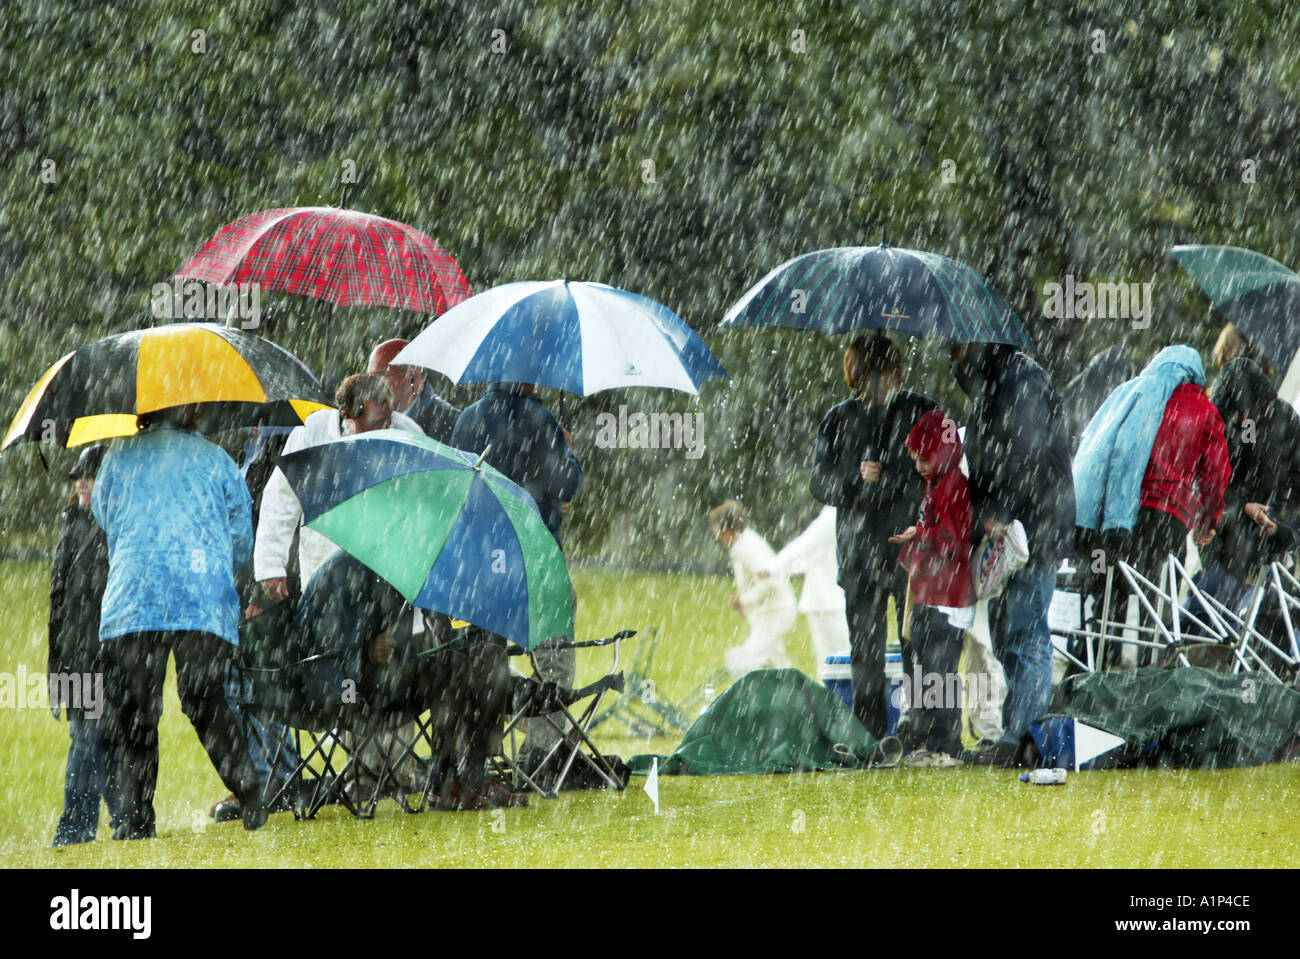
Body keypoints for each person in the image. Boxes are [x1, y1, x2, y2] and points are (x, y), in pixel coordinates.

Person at [93, 405, 266, 836]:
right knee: (205, 698)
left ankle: (134, 819)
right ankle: (250, 792)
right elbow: (241, 538)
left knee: (135, 710)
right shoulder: (216, 460)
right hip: (202, 594)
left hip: (136, 595)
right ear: (193, 412)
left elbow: (103, 515)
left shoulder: (118, 456)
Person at [288, 550, 522, 810]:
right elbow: (316, 651)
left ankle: (471, 773)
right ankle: (446, 779)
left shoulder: (390, 568)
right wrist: (364, 652)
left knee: (477, 659)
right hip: (345, 693)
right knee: (452, 667)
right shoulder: (338, 575)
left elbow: (404, 640)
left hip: (384, 680)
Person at [949, 342, 1075, 767]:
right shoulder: (997, 383)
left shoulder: (1018, 381)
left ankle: (1026, 740)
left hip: (1033, 529)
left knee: (1026, 635)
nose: (950, 354)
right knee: (1011, 636)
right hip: (1027, 526)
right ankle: (1016, 735)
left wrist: (998, 511)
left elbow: (1021, 454)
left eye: (955, 346)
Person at [1074, 345, 1231, 666]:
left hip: (1125, 509)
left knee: (1114, 586)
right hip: (1171, 517)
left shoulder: (1137, 393)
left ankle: (1100, 660)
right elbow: (1216, 472)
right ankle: (1147, 667)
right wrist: (1209, 519)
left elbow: (1104, 442)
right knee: (1156, 596)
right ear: (1196, 376)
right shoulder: (1205, 410)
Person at [810, 334, 935, 739]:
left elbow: (948, 463)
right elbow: (818, 482)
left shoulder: (921, 412)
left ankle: (921, 729)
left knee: (917, 643)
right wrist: (854, 480)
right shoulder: (838, 419)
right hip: (860, 555)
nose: (883, 385)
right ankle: (870, 735)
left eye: (887, 375)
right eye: (874, 376)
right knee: (866, 650)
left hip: (909, 552)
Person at [452, 381, 583, 763]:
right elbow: (568, 486)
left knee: (488, 668)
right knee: (555, 666)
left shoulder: (466, 419)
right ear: (525, 375)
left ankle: (483, 751)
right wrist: (568, 452)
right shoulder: (540, 419)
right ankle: (541, 751)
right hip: (535, 564)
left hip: (482, 567)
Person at [254, 373, 422, 604]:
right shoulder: (312, 435)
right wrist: (270, 565)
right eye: (375, 423)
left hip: (388, 571)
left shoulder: (409, 435)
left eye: (388, 418)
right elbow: (281, 500)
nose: (386, 426)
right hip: (325, 566)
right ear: (347, 417)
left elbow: (423, 501)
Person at [889, 409, 974, 766]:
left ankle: (947, 745)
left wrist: (917, 535)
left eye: (925, 458)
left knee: (941, 671)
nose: (920, 466)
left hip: (948, 596)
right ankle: (929, 742)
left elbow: (954, 539)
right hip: (930, 592)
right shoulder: (936, 483)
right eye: (916, 460)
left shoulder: (954, 484)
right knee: (926, 668)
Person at [48, 445, 120, 845]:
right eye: (79, 477)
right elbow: (58, 603)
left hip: (104, 651)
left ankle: (90, 825)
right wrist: (56, 667)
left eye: (89, 476)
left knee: (96, 738)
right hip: (77, 654)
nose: (81, 483)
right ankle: (111, 822)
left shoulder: (112, 525)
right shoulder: (71, 523)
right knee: (91, 737)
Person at [710, 500, 796, 676]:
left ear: (726, 529)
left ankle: (748, 700)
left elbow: (767, 583)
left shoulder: (746, 547)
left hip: (775, 612)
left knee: (745, 661)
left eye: (718, 530)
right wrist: (745, 604)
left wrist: (742, 601)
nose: (717, 536)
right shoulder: (743, 542)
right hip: (771, 611)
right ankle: (791, 697)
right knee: (776, 662)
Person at [763, 505, 849, 678]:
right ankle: (840, 701)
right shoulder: (835, 514)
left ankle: (840, 700)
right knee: (838, 662)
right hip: (828, 601)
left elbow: (806, 546)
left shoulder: (834, 514)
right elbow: (806, 547)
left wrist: (774, 567)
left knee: (836, 662)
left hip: (829, 600)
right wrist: (775, 567)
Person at [368, 338, 460, 444]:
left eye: (380, 376)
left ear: (410, 373)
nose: (373, 385)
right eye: (369, 378)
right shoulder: (374, 424)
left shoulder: (450, 422)